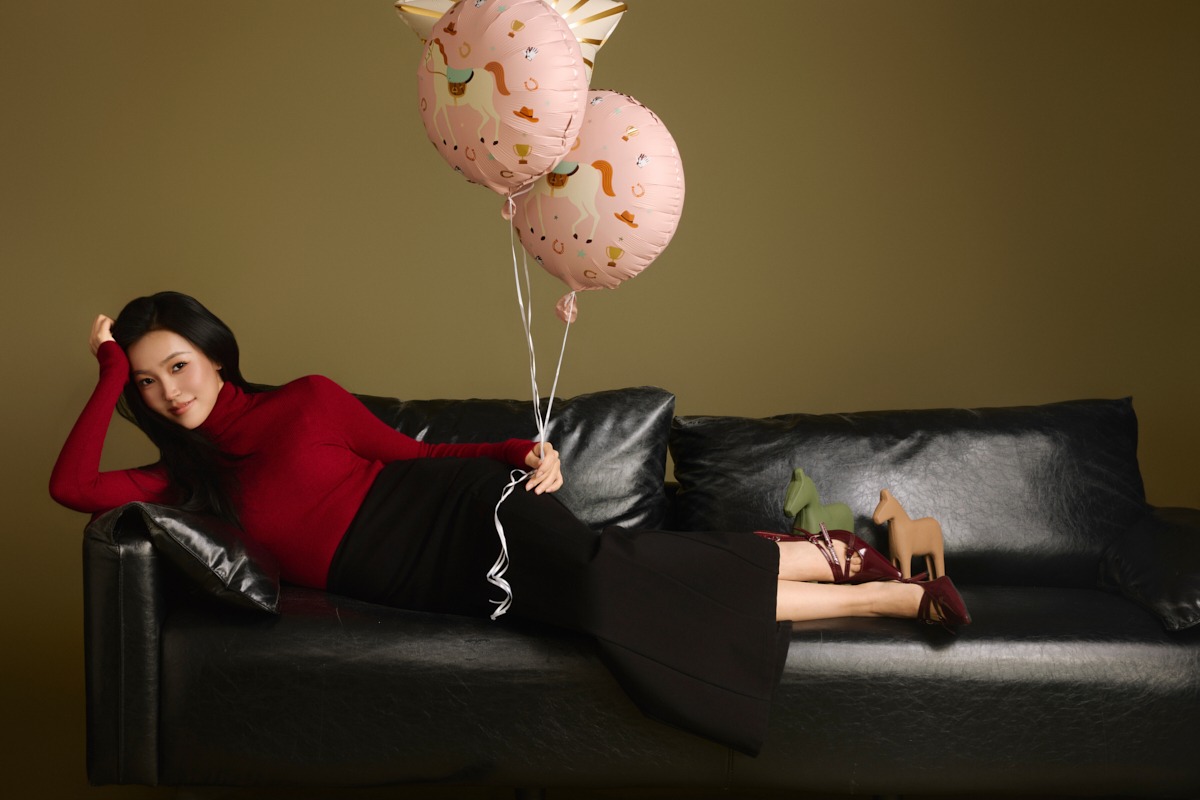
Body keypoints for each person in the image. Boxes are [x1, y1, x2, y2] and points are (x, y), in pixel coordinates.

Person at [50, 292, 970, 757]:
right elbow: (73, 485)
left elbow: (416, 457)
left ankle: (888, 596)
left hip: (463, 514)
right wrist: (105, 373)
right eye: (146, 383)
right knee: (626, 577)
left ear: (216, 355)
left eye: (178, 366)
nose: (168, 393)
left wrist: (519, 451)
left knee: (612, 588)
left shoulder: (308, 401)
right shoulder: (184, 481)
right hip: (427, 580)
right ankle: (830, 556)